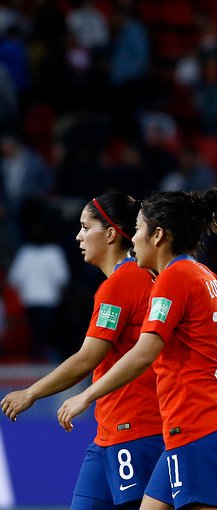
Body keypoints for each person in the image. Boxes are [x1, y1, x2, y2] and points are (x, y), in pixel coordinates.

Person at [56, 189, 217, 510]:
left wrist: (87, 395)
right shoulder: (206, 277)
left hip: (196, 426)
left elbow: (143, 354)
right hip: (191, 428)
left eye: (139, 229)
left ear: (158, 236)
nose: (134, 238)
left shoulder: (174, 279)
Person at [1, 192, 163, 510]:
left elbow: (88, 358)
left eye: (85, 227)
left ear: (111, 233)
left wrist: (32, 393)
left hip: (136, 428)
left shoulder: (122, 283)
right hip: (109, 431)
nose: (78, 236)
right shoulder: (135, 279)